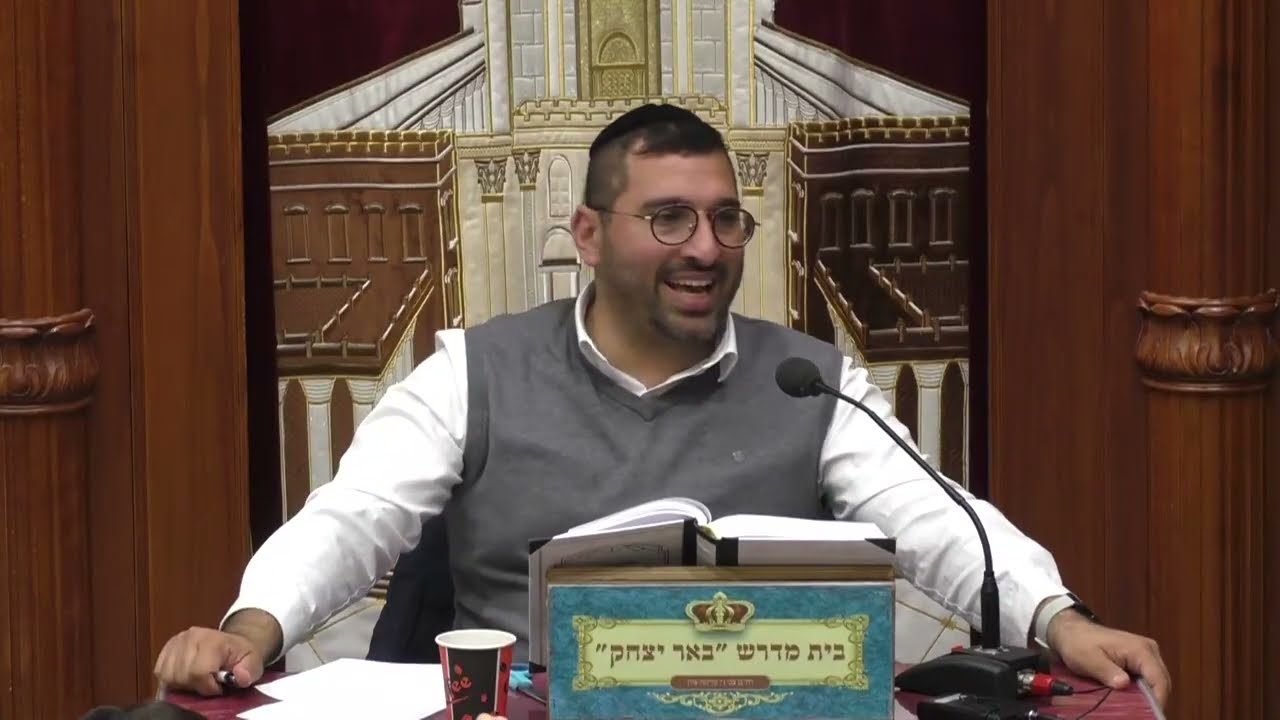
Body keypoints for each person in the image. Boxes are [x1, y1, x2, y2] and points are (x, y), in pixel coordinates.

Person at [154, 104, 1170, 709]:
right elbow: (351, 517)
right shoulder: (472, 371)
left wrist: (1060, 620)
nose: (705, 248)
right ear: (589, 234)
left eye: (726, 220)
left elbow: (938, 521)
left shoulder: (811, 380)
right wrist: (253, 628)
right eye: (670, 218)